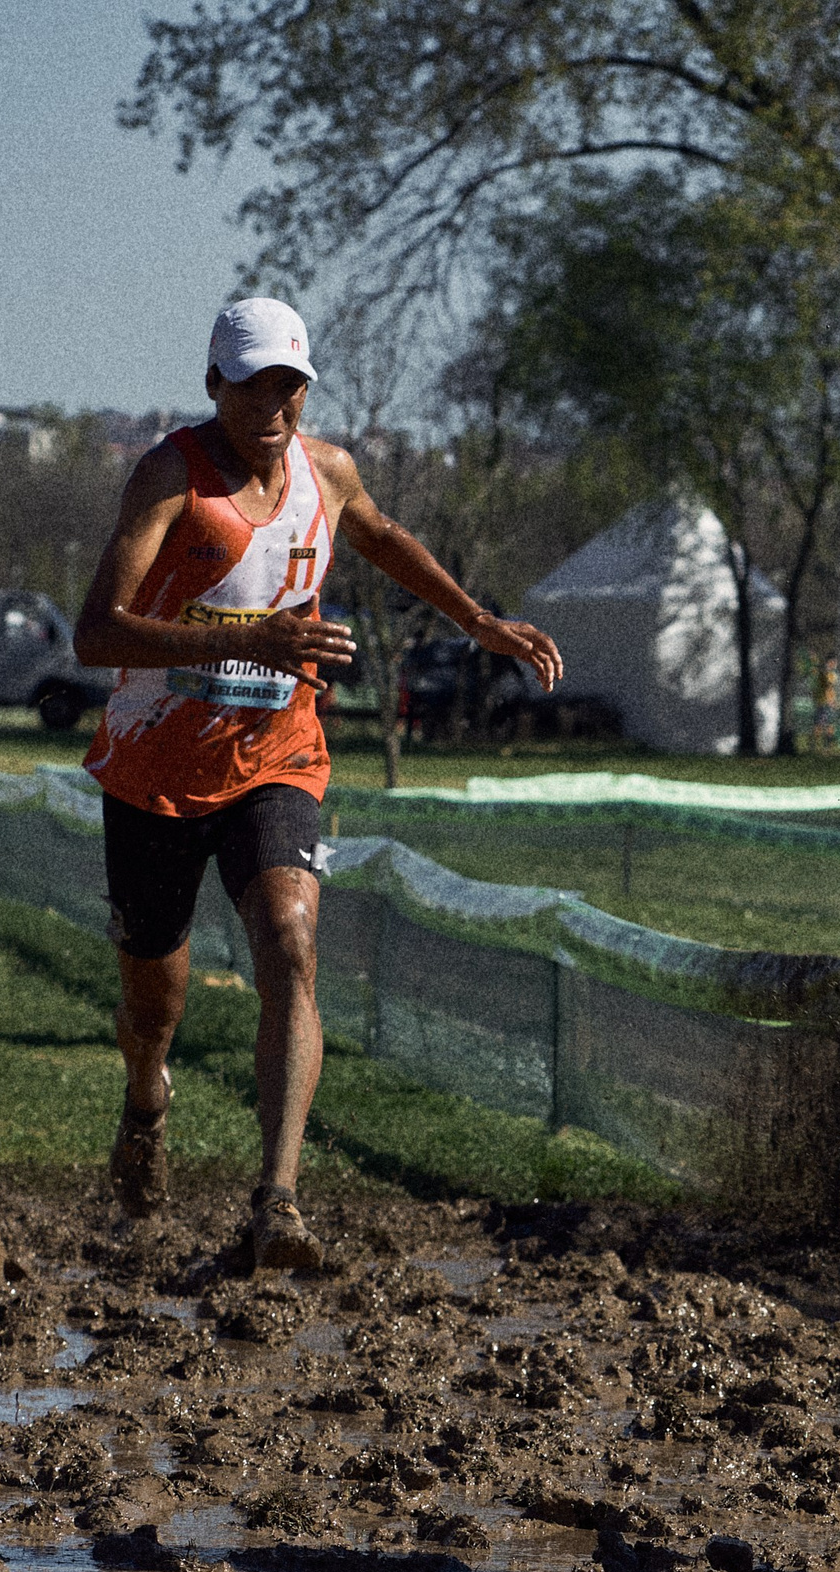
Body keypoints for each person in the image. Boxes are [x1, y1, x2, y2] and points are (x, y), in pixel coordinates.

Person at [73, 298, 564, 1268]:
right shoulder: (172, 472)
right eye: (254, 383)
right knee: (151, 1006)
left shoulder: (326, 470)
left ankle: (277, 1202)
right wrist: (251, 635)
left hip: (276, 757)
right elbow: (97, 631)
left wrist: (477, 621)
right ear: (215, 383)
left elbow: (379, 535)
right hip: (157, 771)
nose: (274, 403)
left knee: (291, 943)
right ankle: (146, 1098)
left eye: (289, 384)